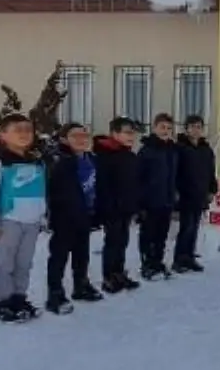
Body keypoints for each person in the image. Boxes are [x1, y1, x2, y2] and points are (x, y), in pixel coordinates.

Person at [0, 112, 47, 323]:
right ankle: (3, 303)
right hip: (8, 220)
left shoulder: (36, 159)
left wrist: (43, 216)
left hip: (32, 221)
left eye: (28, 129)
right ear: (3, 135)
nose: (25, 134)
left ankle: (19, 298)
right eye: (18, 130)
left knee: (24, 264)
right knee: (4, 263)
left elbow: (41, 189)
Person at [45, 123, 104, 314]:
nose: (81, 139)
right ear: (64, 139)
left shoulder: (91, 159)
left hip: (85, 214)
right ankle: (55, 293)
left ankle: (81, 285)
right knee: (59, 256)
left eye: (84, 135)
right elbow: (51, 190)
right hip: (64, 216)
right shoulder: (60, 161)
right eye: (75, 136)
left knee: (82, 254)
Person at [93, 116, 143, 294]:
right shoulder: (104, 155)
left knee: (123, 241)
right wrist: (107, 206)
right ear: (114, 133)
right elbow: (103, 184)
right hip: (111, 208)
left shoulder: (130, 155)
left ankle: (119, 273)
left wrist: (135, 204)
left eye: (132, 133)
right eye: (127, 132)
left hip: (126, 207)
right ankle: (109, 277)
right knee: (112, 242)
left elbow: (134, 182)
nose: (131, 136)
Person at [138, 112, 180, 280]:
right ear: (154, 128)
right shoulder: (146, 150)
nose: (166, 131)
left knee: (162, 235)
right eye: (162, 127)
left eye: (169, 128)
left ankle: (158, 262)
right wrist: (140, 203)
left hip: (167, 199)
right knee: (148, 234)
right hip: (150, 200)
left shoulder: (173, 150)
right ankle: (147, 265)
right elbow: (139, 177)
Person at [174, 114, 217, 273]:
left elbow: (211, 171)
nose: (196, 130)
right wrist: (175, 190)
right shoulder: (180, 148)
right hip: (185, 194)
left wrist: (212, 189)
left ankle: (189, 257)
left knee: (194, 227)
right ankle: (179, 259)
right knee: (186, 227)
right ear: (186, 129)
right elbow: (174, 171)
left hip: (200, 194)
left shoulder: (206, 149)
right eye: (192, 127)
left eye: (199, 127)